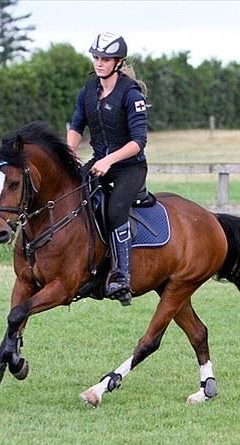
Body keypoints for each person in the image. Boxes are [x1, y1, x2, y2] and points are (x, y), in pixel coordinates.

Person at [67, 32, 149, 305]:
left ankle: (121, 277)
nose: (99, 63)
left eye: (105, 59)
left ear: (118, 62)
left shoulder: (131, 93)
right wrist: (70, 150)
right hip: (99, 162)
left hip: (128, 168)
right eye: (96, 57)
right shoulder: (88, 90)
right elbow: (76, 125)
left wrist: (109, 160)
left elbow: (139, 141)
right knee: (72, 197)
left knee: (115, 210)